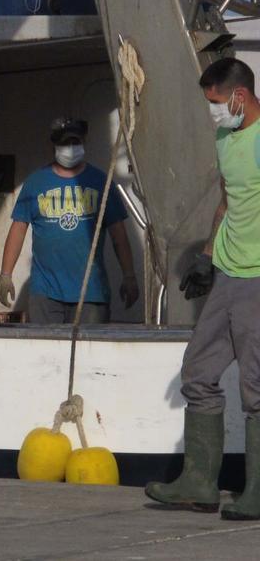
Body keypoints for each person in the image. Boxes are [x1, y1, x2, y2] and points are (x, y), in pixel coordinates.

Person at [146, 58, 260, 520]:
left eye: (215, 103)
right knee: (198, 370)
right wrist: (208, 257)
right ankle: (199, 483)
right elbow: (229, 200)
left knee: (256, 386)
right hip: (230, 273)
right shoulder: (224, 138)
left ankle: (256, 492)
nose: (212, 113)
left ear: (238, 96)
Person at [0, 117, 139, 323]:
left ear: (84, 142)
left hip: (91, 293)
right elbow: (18, 229)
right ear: (53, 145)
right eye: (64, 143)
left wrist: (129, 276)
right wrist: (5, 275)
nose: (70, 148)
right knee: (46, 353)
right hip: (45, 293)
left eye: (75, 142)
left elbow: (119, 234)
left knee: (87, 352)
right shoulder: (36, 183)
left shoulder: (101, 182)